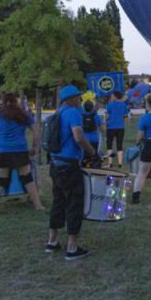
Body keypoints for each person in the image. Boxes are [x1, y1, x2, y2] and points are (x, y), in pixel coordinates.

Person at [47, 85, 99, 260]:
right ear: (71, 99)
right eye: (78, 97)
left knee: (58, 202)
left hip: (55, 164)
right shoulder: (73, 112)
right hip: (69, 166)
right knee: (74, 204)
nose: (80, 100)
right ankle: (72, 248)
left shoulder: (56, 113)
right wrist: (92, 152)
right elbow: (78, 136)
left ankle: (52, 242)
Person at [0, 93, 45, 215]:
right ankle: (38, 205)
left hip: (2, 151)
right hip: (20, 150)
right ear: (16, 102)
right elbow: (37, 129)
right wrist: (35, 146)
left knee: (0, 180)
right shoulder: (23, 116)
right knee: (27, 177)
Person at [104, 91, 129, 167]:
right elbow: (125, 117)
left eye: (112, 96)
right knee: (119, 144)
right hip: (120, 127)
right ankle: (120, 163)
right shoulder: (124, 105)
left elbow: (107, 116)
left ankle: (110, 163)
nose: (111, 97)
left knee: (109, 144)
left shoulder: (109, 105)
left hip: (111, 127)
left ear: (115, 97)